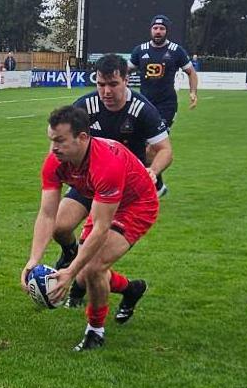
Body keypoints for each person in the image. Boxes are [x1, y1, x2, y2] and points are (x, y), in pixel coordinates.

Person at [21, 106, 158, 351]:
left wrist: (70, 272)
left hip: (137, 204)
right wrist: (33, 260)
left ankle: (95, 331)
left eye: (60, 141)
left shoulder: (106, 164)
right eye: (51, 140)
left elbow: (101, 228)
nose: (53, 148)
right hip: (101, 199)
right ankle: (131, 289)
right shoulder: (55, 162)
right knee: (86, 271)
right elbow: (47, 214)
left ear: (82, 137)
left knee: (92, 268)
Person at [53, 54, 172, 308]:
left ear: (127, 80)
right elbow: (63, 139)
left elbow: (165, 150)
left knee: (92, 263)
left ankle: (84, 288)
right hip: (89, 182)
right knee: (59, 227)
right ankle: (72, 254)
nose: (106, 91)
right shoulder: (84, 106)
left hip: (122, 190)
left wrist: (153, 170)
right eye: (100, 84)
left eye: (113, 84)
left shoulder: (142, 109)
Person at [129, 14, 198, 197]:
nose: (158, 31)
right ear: (151, 30)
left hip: (166, 106)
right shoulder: (140, 50)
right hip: (143, 106)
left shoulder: (176, 51)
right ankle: (158, 185)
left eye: (161, 28)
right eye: (155, 28)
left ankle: (154, 187)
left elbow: (191, 72)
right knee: (140, 148)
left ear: (167, 31)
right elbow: (124, 71)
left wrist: (193, 93)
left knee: (153, 147)